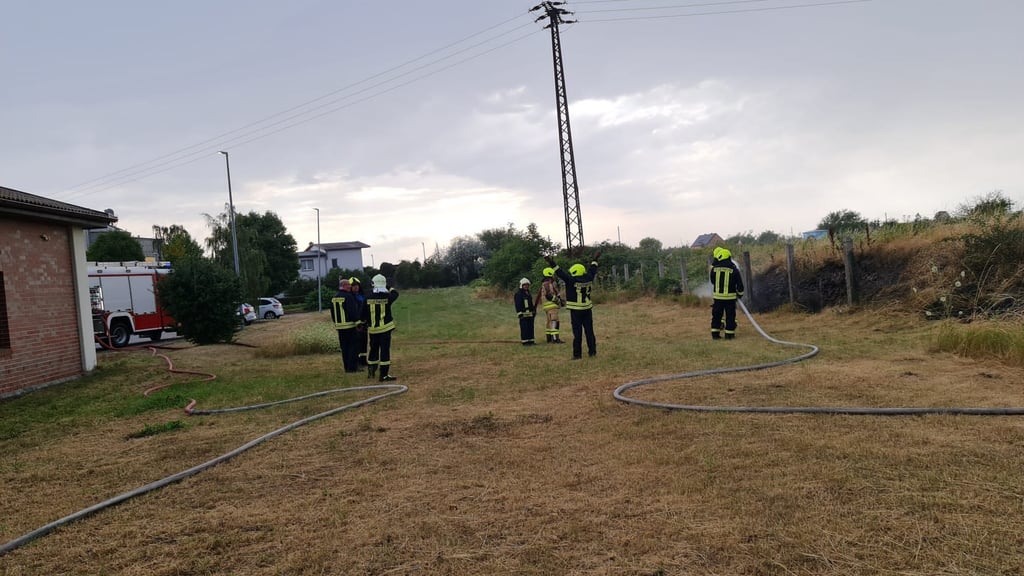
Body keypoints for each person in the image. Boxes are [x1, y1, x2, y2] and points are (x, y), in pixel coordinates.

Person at [545, 251, 600, 359]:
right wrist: (595, 259)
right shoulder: (589, 277)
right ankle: (592, 352)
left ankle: (577, 355)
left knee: (577, 333)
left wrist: (551, 262)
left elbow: (560, 272)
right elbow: (593, 269)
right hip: (587, 309)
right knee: (589, 331)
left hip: (576, 311)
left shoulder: (572, 280)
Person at [362, 273, 399, 381]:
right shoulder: (387, 297)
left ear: (373, 284)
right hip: (385, 329)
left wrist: (363, 323)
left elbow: (362, 313)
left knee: (373, 350)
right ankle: (383, 375)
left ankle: (371, 373)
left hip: (373, 330)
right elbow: (395, 293)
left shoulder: (367, 297)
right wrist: (388, 287)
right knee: (384, 352)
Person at [710, 247, 745, 340]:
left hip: (717, 298)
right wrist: (740, 294)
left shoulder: (714, 269)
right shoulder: (734, 270)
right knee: (730, 317)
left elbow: (712, 281)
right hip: (730, 298)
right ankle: (729, 335)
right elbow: (740, 285)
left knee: (716, 316)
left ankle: (715, 334)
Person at [329, 278, 361, 373]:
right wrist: (358, 323)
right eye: (348, 285)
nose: (350, 287)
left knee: (344, 348)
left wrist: (336, 323)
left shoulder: (334, 297)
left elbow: (332, 312)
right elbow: (352, 312)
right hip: (349, 326)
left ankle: (346, 367)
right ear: (343, 286)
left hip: (340, 327)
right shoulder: (348, 297)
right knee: (353, 347)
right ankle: (352, 368)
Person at [533, 267, 564, 343]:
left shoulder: (544, 284)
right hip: (552, 306)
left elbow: (538, 296)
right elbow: (549, 295)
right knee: (555, 321)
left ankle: (549, 338)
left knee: (549, 322)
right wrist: (558, 300)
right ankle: (555, 339)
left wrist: (535, 307)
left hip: (547, 307)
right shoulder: (547, 284)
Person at [349, 276, 368, 366]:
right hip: (356, 324)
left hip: (364, 322)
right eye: (353, 286)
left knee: (364, 342)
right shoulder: (350, 298)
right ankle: (357, 361)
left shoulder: (363, 296)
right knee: (356, 343)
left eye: (357, 285)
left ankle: (363, 360)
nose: (356, 287)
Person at [514, 277, 536, 346]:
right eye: (525, 285)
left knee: (530, 328)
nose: (526, 286)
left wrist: (533, 311)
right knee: (524, 328)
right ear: (521, 285)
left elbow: (530, 304)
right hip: (523, 315)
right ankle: (525, 341)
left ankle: (531, 340)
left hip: (530, 315)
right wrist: (520, 314)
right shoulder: (519, 294)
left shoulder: (528, 294)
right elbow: (517, 305)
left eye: (527, 285)